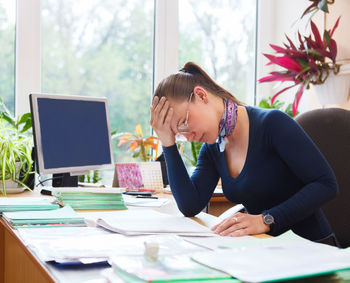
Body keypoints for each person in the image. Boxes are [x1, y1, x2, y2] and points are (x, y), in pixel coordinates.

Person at [150, 61, 339, 244]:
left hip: (311, 251)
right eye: (179, 134)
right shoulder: (213, 148)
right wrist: (168, 142)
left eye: (184, 122)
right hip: (262, 249)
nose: (188, 137)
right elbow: (190, 205)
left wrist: (266, 220)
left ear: (201, 95)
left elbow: (326, 184)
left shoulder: (273, 124)